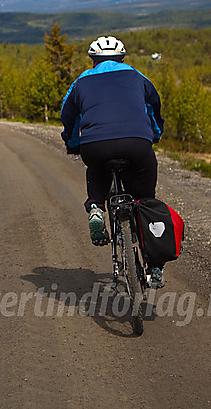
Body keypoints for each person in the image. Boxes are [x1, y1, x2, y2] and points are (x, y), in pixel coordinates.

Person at [59, 36, 166, 288]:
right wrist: (154, 135)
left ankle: (96, 206)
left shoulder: (81, 81)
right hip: (137, 143)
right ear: (122, 58)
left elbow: (68, 115)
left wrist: (72, 143)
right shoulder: (138, 77)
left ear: (93, 60)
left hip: (95, 144)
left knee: (97, 167)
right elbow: (154, 107)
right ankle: (154, 266)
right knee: (145, 201)